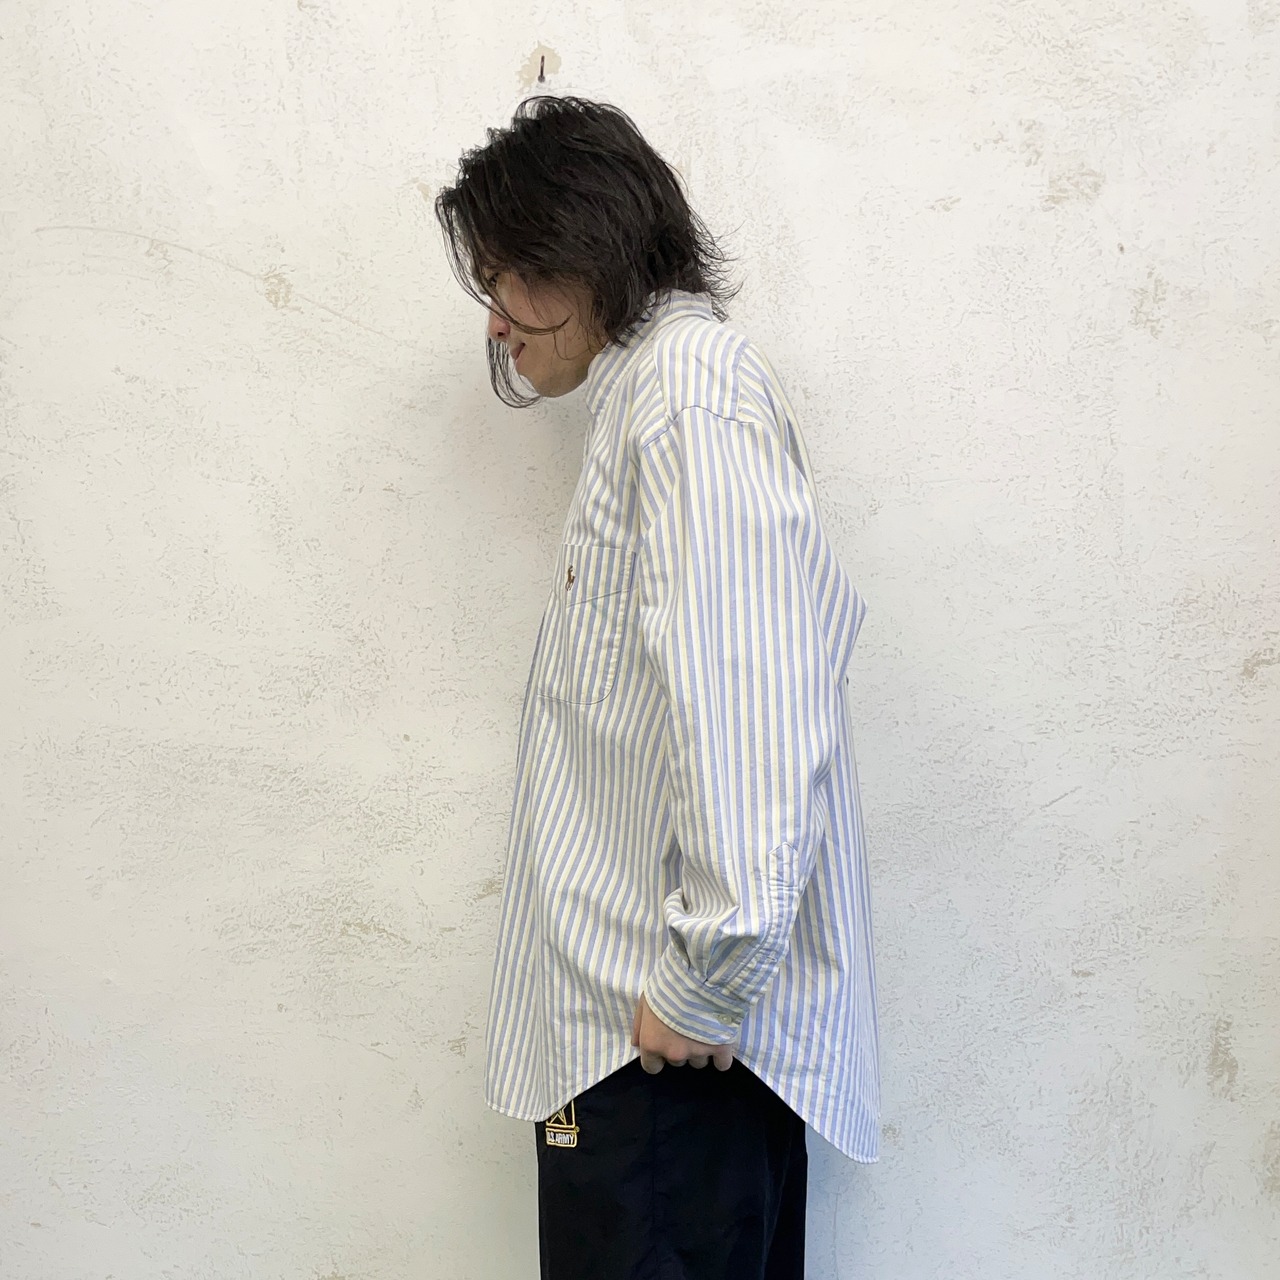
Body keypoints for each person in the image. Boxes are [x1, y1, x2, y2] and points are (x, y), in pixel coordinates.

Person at [435, 95, 879, 1280]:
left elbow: (753, 708)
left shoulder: (686, 398)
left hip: (669, 1061)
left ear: (579, 250)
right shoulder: (652, 400)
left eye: (504, 277)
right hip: (644, 1051)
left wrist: (702, 982)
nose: (495, 321)